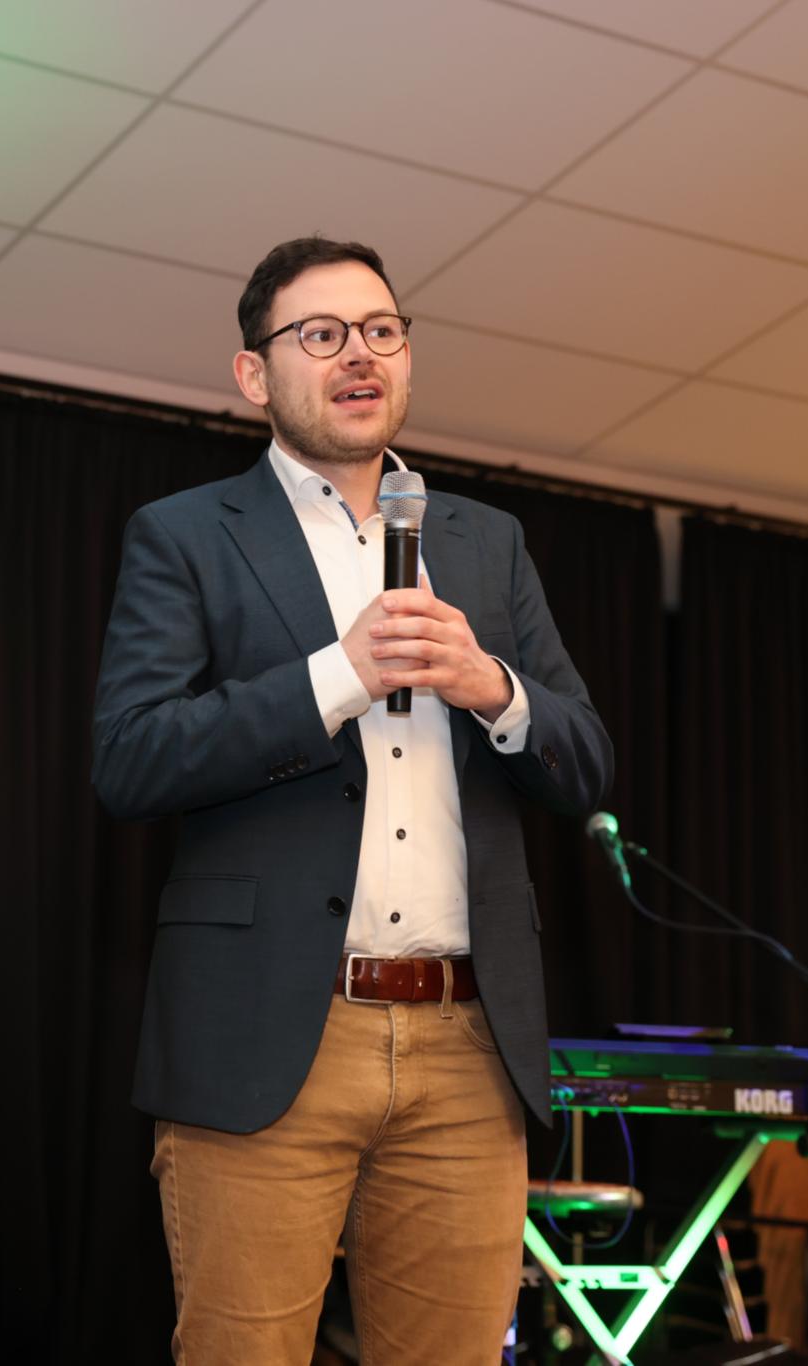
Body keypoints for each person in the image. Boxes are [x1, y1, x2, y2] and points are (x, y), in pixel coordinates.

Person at [92, 237, 612, 1363]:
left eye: (380, 330)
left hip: (468, 1043)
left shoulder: (486, 541)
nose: (359, 355)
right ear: (254, 374)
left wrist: (490, 686)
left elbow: (584, 759)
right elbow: (130, 758)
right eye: (320, 335)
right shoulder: (187, 534)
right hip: (270, 1035)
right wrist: (339, 675)